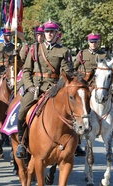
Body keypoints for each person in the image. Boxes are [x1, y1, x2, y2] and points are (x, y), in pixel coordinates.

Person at [16, 20, 73, 159]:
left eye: (52, 32)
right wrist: (29, 86)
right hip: (35, 87)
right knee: (23, 109)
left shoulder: (64, 51)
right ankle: (21, 142)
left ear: (56, 34)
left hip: (54, 87)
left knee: (72, 110)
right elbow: (27, 70)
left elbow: (68, 74)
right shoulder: (35, 48)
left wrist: (56, 88)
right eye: (47, 32)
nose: (49, 34)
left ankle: (75, 143)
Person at [74, 33, 113, 147]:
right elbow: (74, 68)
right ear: (88, 42)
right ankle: (77, 136)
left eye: (95, 42)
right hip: (85, 85)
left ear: (98, 42)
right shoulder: (81, 54)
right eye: (91, 42)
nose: (93, 44)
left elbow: (109, 69)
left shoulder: (104, 55)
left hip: (100, 86)